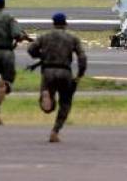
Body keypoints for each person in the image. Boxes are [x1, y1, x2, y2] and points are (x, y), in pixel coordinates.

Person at [28, 12, 87, 143]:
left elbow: (31, 49)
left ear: (53, 24)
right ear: (65, 24)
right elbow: (82, 57)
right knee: (65, 103)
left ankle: (47, 98)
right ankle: (55, 131)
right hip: (65, 72)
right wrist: (79, 75)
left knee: (48, 106)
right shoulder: (72, 38)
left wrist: (42, 56)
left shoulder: (44, 37)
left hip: (48, 71)